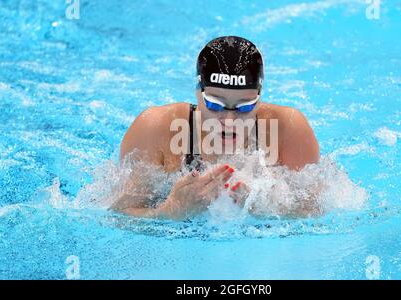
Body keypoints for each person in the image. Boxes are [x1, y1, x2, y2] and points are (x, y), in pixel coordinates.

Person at [111, 36, 319, 219]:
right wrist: (170, 210)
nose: (229, 120)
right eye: (214, 105)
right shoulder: (155, 128)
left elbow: (318, 212)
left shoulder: (289, 129)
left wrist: (263, 206)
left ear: (259, 98)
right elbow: (118, 215)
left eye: (244, 107)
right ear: (197, 93)